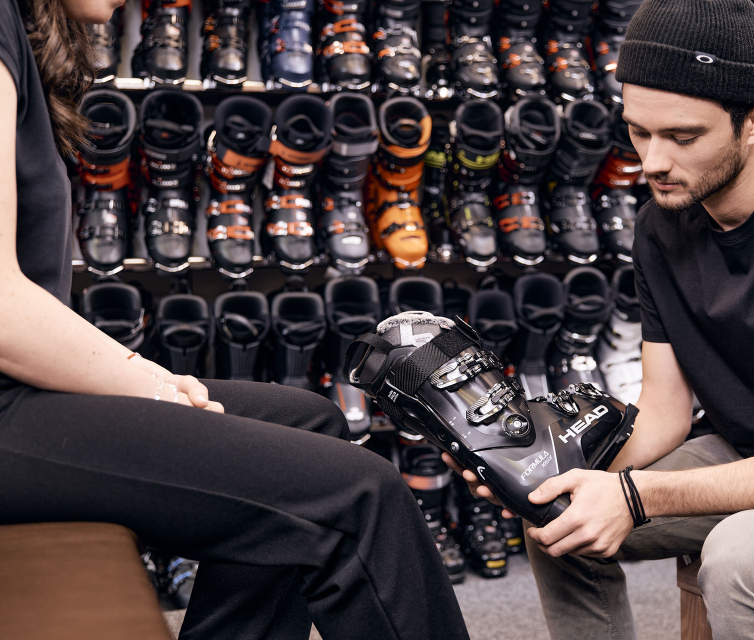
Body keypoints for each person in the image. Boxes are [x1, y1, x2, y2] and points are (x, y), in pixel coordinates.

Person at [444, 0, 754, 637]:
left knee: (744, 561)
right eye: (638, 131)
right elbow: (663, 413)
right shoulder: (661, 225)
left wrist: (638, 497)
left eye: (683, 137)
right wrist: (537, 470)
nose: (653, 161)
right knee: (557, 513)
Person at [0, 0, 470, 638]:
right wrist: (148, 380)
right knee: (363, 495)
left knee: (319, 423)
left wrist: (149, 383)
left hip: (19, 397)